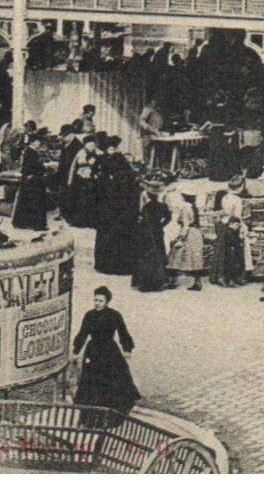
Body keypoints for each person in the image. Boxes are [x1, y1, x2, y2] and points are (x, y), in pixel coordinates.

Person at [72, 288, 141, 416]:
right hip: (93, 351)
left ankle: (113, 409)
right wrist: (76, 351)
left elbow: (123, 332)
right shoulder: (89, 315)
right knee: (92, 380)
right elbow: (83, 333)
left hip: (109, 350)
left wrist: (127, 349)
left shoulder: (115, 315)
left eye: (101, 301)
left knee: (114, 378)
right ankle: (92, 411)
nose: (97, 303)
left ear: (107, 302)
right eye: (96, 300)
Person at [92, 139, 137, 276]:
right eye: (111, 149)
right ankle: (105, 264)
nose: (114, 151)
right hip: (108, 206)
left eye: (114, 148)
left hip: (120, 206)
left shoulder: (121, 160)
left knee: (119, 236)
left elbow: (130, 176)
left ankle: (120, 265)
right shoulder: (100, 162)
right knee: (108, 235)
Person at [131, 186, 172, 292]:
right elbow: (169, 216)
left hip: (146, 234)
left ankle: (145, 282)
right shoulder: (162, 206)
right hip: (157, 232)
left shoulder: (147, 207)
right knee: (159, 254)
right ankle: (159, 281)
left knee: (145, 257)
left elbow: (143, 220)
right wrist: (162, 224)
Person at [167, 191, 208, 290]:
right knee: (195, 258)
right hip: (196, 233)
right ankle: (197, 282)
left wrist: (181, 237)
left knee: (175, 255)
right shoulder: (194, 208)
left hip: (189, 234)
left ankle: (172, 280)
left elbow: (186, 225)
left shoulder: (185, 208)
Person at [11, 134, 50, 231]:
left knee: (26, 202)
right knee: (36, 202)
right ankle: (37, 225)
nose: (39, 144)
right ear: (33, 142)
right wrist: (43, 168)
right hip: (33, 181)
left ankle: (23, 223)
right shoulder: (32, 152)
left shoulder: (30, 152)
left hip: (29, 181)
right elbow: (33, 167)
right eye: (37, 142)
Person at [63, 138, 101, 228]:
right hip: (80, 178)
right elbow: (73, 166)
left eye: (94, 145)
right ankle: (80, 221)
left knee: (92, 199)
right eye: (90, 145)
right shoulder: (80, 153)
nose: (92, 147)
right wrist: (70, 180)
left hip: (93, 178)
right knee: (81, 200)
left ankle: (92, 221)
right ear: (85, 145)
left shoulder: (99, 153)